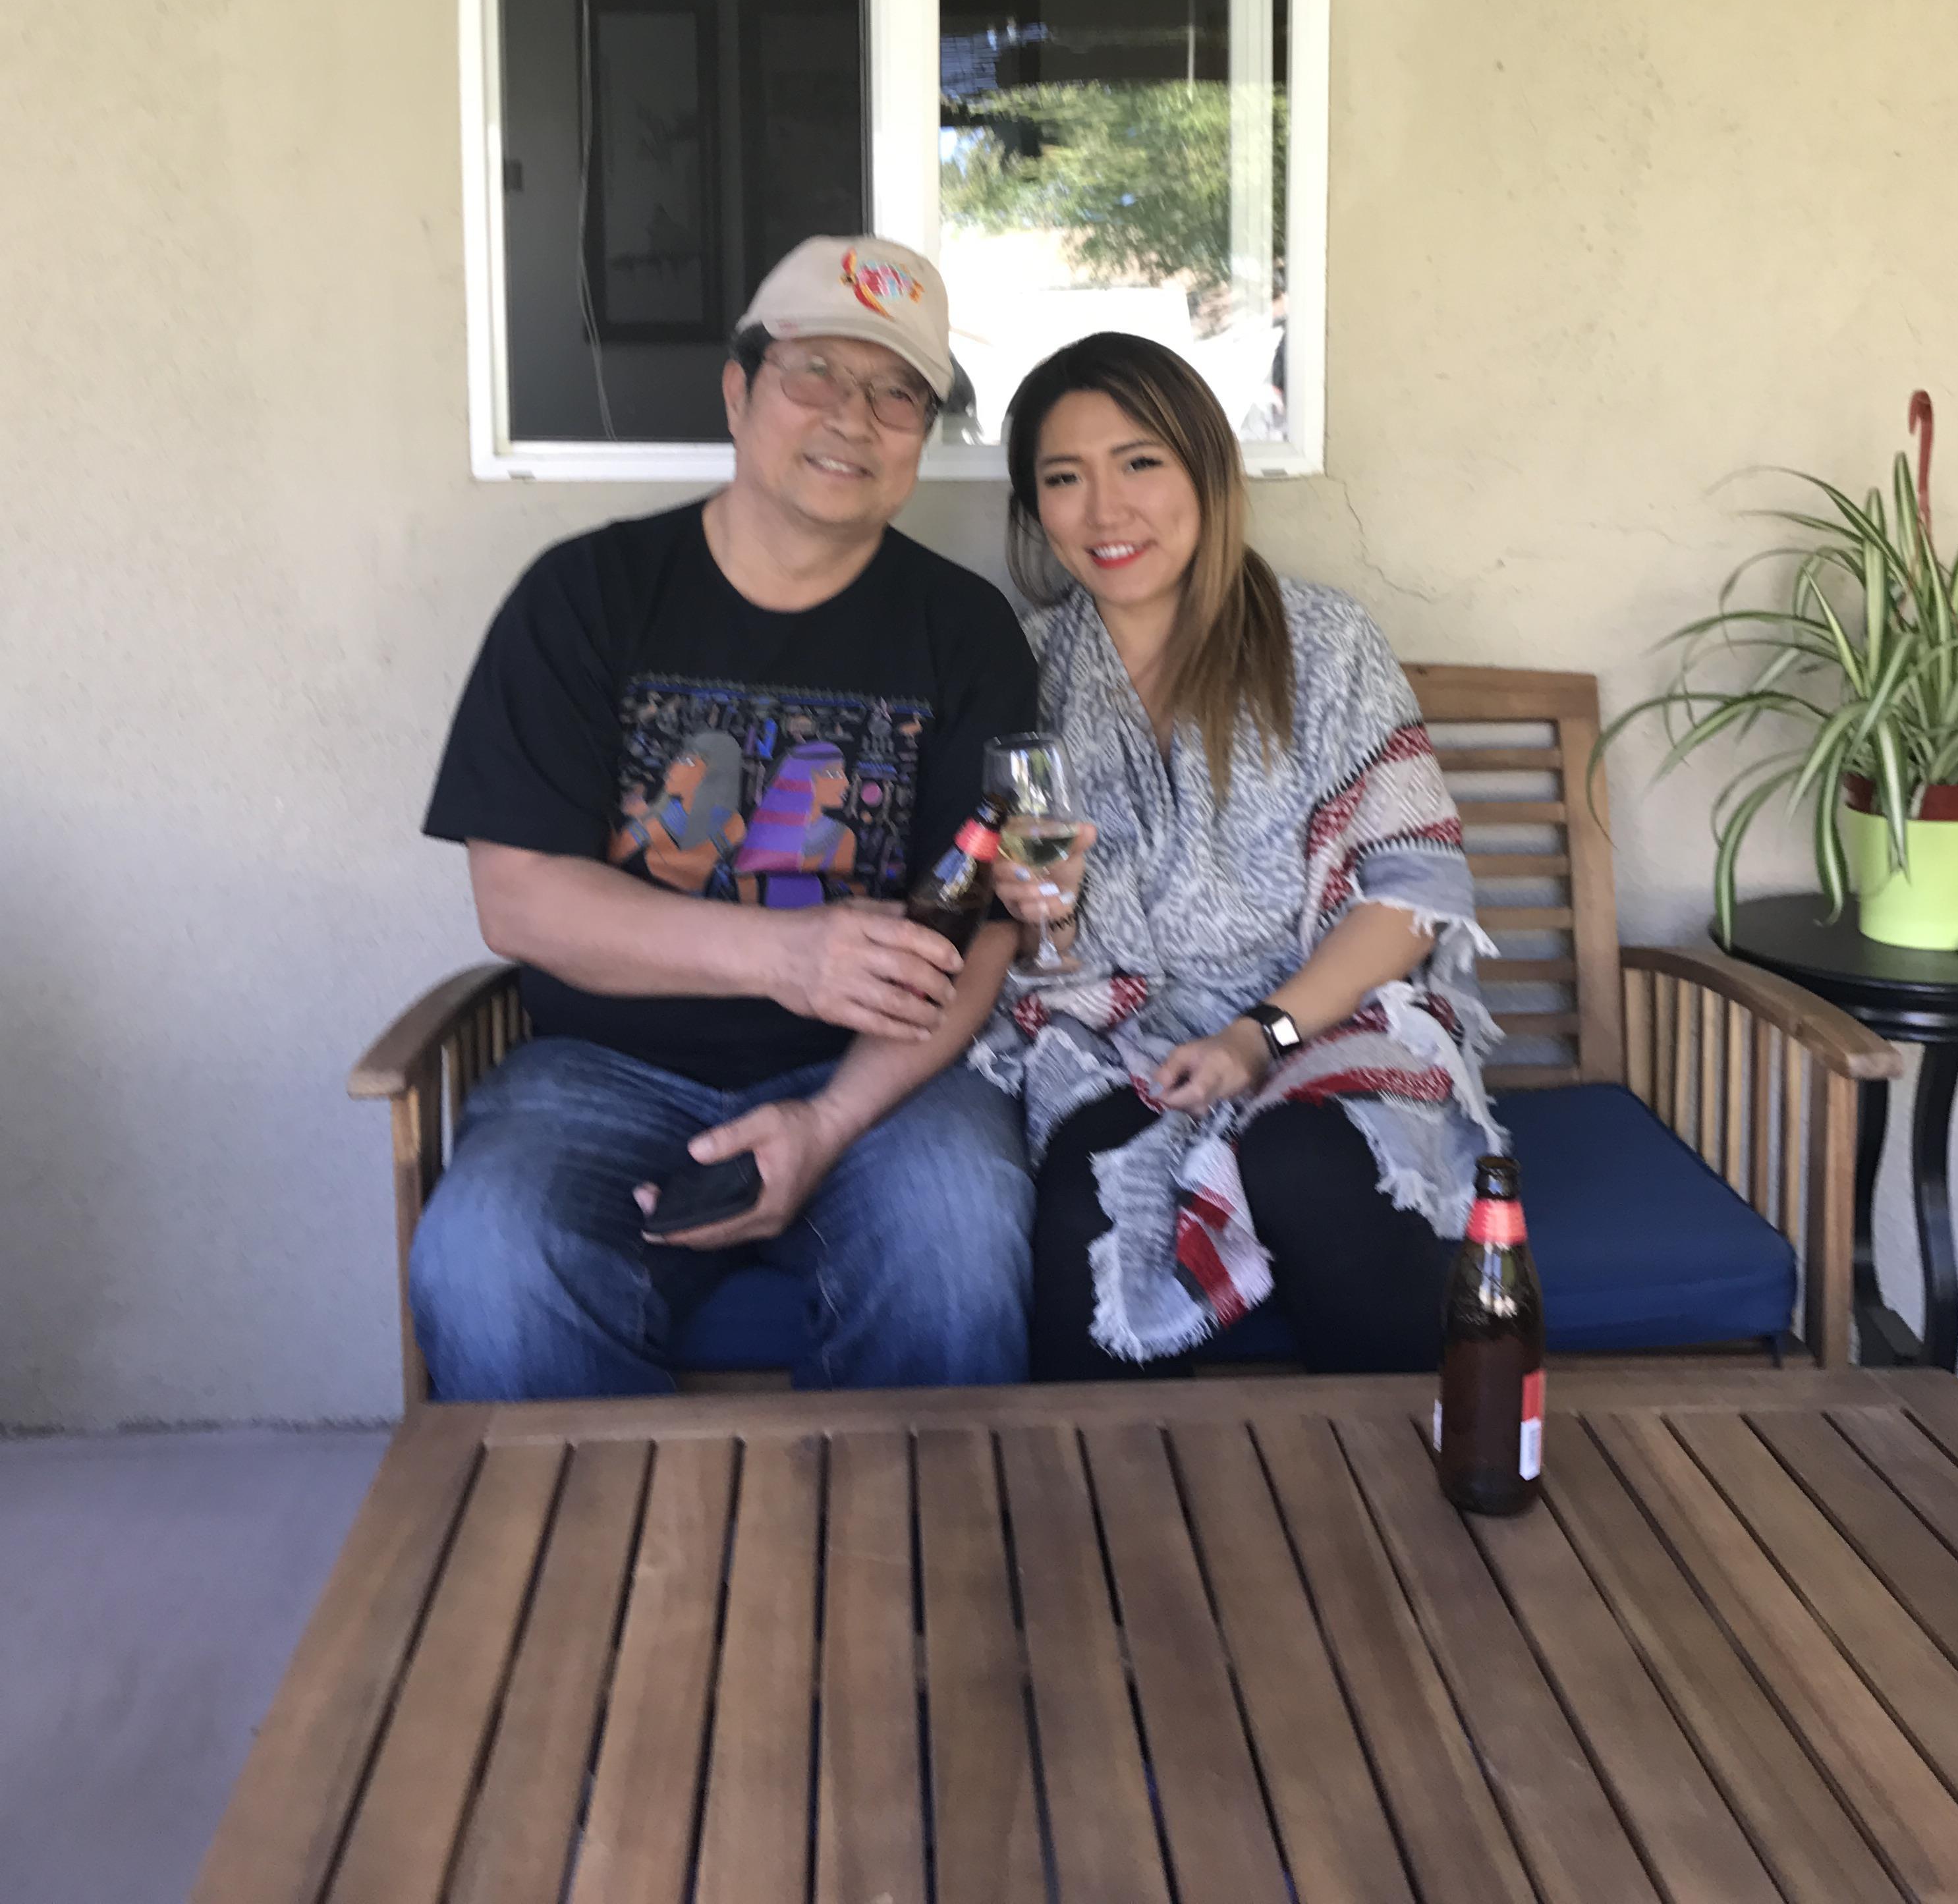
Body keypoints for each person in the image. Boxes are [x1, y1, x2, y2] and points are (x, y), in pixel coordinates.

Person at [411, 237, 1040, 1398]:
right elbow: (520, 899)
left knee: (961, 1239)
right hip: (600, 1069)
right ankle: (597, 1573)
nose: (855, 419)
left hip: (878, 1076)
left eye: (897, 393)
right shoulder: (587, 597)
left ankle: (911, 1567)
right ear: (740, 390)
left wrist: (828, 1121)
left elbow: (987, 927)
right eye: (817, 376)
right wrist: (789, 955)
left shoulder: (965, 633)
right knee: (489, 1257)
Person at [972, 333, 1500, 1378]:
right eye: (1063, 479)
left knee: (1311, 1165)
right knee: (1094, 1183)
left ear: (1207, 471)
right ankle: (1122, 1526)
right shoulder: (1022, 670)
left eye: (1140, 463)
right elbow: (1005, 932)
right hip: (1110, 1038)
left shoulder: (1323, 644)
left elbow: (1414, 887)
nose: (1106, 511)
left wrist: (1263, 1034)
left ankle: (1407, 1508)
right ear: (1034, 509)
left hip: (1326, 1018)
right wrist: (1032, 905)